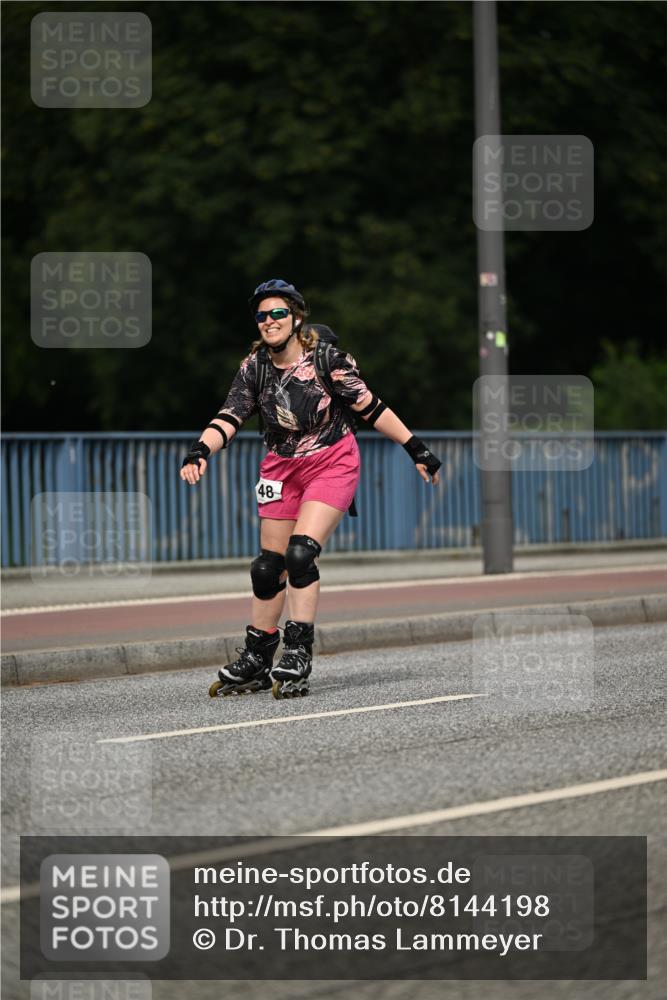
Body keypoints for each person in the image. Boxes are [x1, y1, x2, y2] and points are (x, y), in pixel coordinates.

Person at [180, 279, 441, 699]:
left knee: (300, 553)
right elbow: (230, 415)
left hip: (331, 462)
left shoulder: (326, 360)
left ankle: (298, 650)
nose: (269, 321)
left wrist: (417, 449)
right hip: (281, 468)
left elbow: (371, 407)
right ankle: (258, 658)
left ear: (296, 317)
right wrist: (199, 451)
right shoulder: (255, 367)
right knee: (267, 566)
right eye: (262, 315)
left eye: (278, 313)